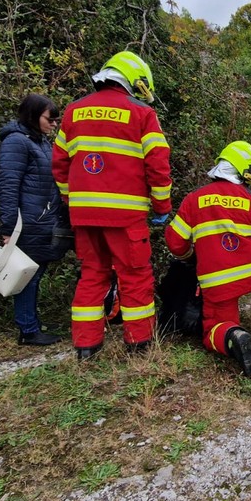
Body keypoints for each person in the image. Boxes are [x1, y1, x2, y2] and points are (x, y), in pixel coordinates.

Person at [52, 51, 172, 359]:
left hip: (84, 216)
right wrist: (161, 207)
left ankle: (86, 346)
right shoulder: (141, 113)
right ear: (134, 80)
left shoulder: (74, 111)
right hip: (126, 216)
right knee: (135, 275)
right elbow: (158, 165)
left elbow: (60, 164)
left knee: (92, 274)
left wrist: (72, 201)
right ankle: (139, 343)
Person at [165, 141, 251, 377]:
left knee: (214, 329)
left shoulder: (193, 200)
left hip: (218, 282)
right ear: (244, 173)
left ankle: (234, 335)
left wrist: (191, 257)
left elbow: (175, 242)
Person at [0, 94, 64, 346]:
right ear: (33, 115)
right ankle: (28, 330)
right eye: (50, 119)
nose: (54, 124)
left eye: (56, 119)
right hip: (26, 224)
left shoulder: (40, 142)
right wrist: (8, 227)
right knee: (27, 276)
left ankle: (31, 322)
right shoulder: (16, 142)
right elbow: (8, 185)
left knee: (35, 273)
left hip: (42, 220)